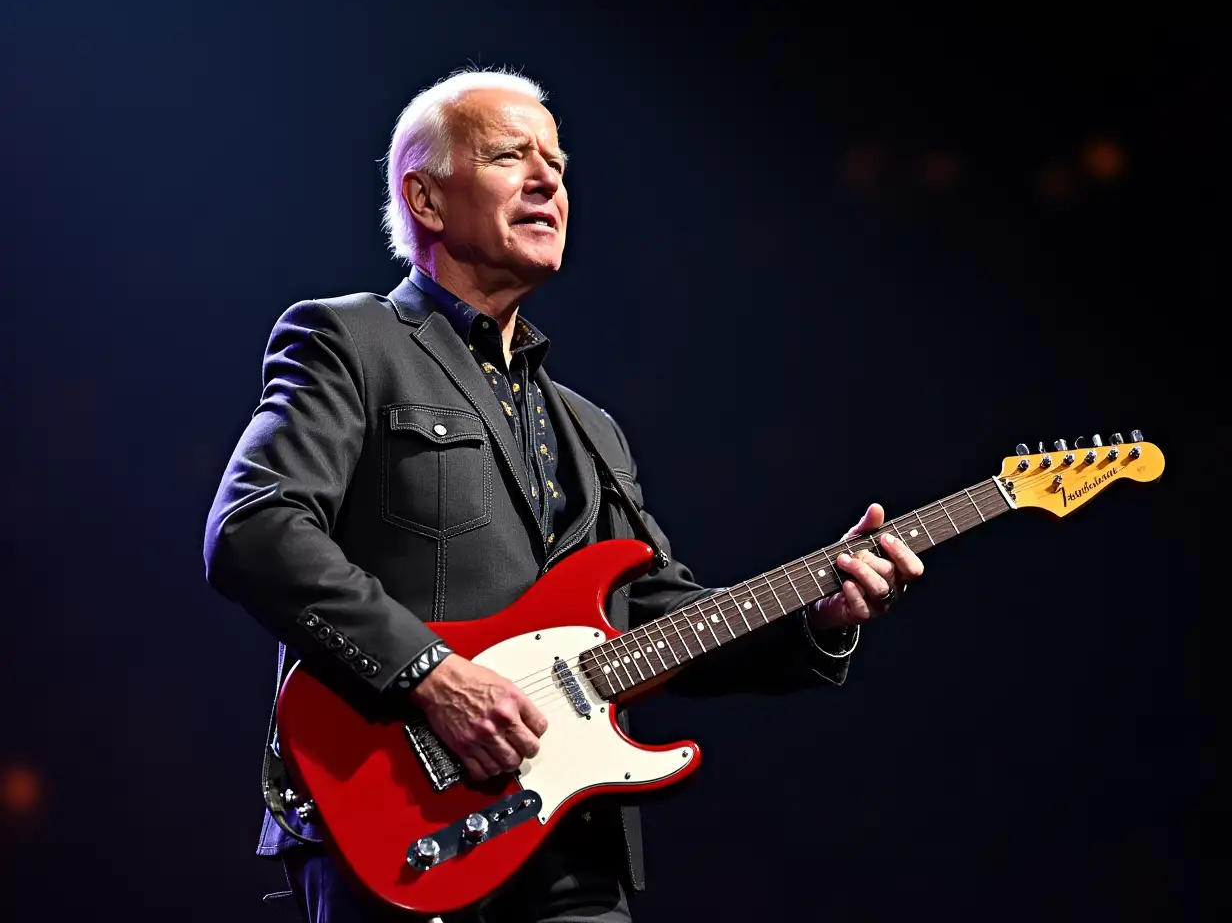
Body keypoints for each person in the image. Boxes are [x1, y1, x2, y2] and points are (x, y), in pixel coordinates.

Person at [203, 68, 924, 923]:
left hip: (572, 843)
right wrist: (431, 676)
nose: (549, 179)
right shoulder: (349, 342)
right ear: (426, 201)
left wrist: (816, 616)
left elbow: (659, 617)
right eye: (512, 156)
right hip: (405, 821)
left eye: (558, 161)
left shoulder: (591, 429)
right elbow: (255, 528)